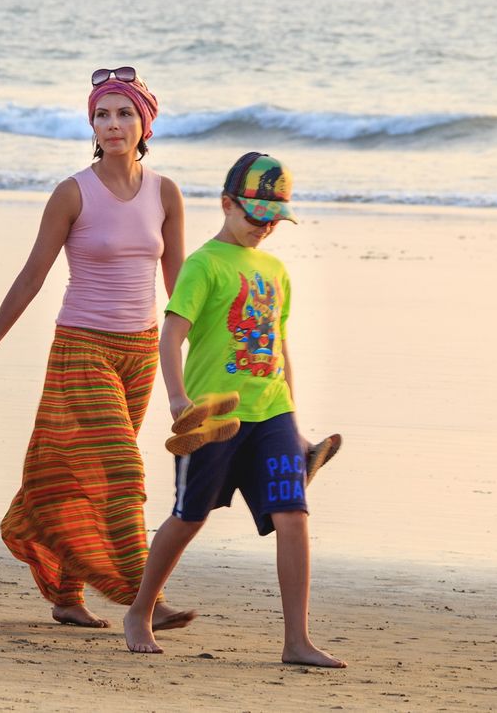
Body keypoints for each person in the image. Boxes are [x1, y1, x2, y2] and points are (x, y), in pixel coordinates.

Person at [0, 67, 193, 632]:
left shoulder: (166, 192)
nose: (112, 124)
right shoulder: (72, 192)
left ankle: (67, 595)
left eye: (124, 114)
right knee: (120, 468)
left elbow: (180, 285)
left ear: (145, 123)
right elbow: (31, 276)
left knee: (81, 474)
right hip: (81, 347)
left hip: (139, 352)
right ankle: (143, 595)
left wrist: (209, 349)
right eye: (101, 114)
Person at [123, 152, 347, 668]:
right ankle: (140, 610)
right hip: (214, 417)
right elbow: (171, 335)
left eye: (273, 220)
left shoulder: (275, 270)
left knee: (293, 516)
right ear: (226, 204)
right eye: (254, 216)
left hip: (272, 413)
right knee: (189, 516)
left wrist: (293, 418)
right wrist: (178, 399)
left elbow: (279, 343)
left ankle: (297, 640)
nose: (264, 228)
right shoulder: (203, 264)